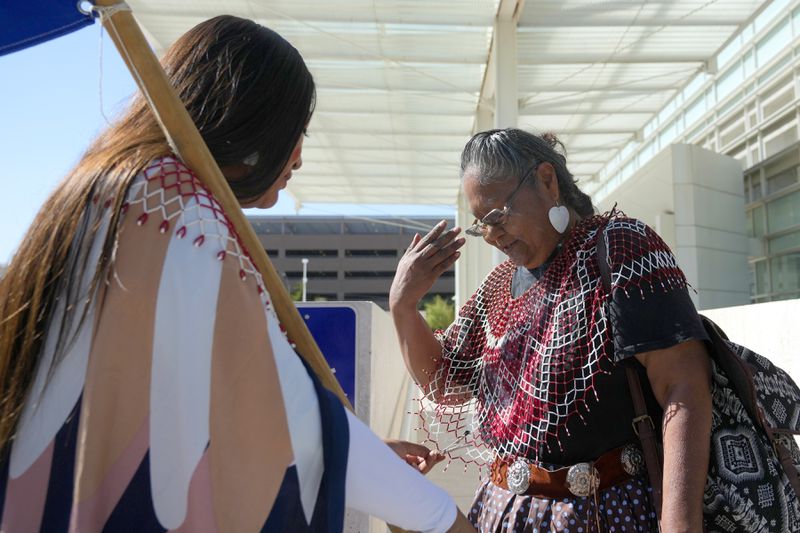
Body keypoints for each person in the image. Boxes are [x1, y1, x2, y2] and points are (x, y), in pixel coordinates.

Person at [0, 15, 475, 533]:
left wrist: (347, 456)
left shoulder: (112, 190)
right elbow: (286, 418)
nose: (298, 155)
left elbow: (195, 409)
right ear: (252, 120)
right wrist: (437, 514)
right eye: (296, 129)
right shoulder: (181, 215)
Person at [389, 128, 713, 532]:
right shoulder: (498, 286)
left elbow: (683, 384)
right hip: (502, 514)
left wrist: (681, 524)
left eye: (497, 216)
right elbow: (443, 381)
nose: (491, 235)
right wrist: (403, 306)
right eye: (480, 226)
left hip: (602, 515)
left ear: (547, 180)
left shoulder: (620, 247)